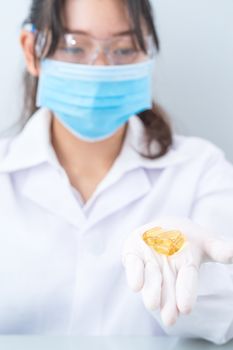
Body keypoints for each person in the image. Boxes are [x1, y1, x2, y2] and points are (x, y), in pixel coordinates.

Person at [0, 0, 232, 343]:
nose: (101, 67)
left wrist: (198, 274)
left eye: (123, 49)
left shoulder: (202, 170)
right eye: (74, 47)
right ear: (32, 50)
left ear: (148, 55)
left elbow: (226, 314)